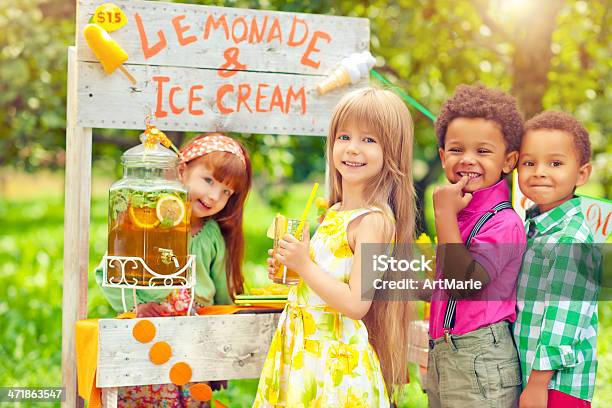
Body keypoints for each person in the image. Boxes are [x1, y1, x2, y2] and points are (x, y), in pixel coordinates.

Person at [253, 87, 416, 407]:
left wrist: (305, 266)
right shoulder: (335, 211)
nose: (352, 149)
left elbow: (357, 304)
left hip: (336, 367)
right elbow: (325, 281)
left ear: (392, 151)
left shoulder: (375, 222)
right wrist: (292, 274)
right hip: (304, 354)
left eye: (369, 140)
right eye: (344, 137)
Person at [95, 133, 252, 407]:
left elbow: (222, 296)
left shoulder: (211, 235)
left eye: (227, 192)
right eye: (209, 181)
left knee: (190, 399)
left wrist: (222, 351)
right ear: (182, 171)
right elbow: (107, 273)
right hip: (147, 333)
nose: (215, 196)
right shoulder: (147, 223)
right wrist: (138, 307)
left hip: (193, 341)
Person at [427, 84, 526, 407]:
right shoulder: (459, 211)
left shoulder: (505, 223)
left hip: (480, 359)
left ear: (508, 160)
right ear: (443, 157)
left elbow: (464, 284)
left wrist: (443, 213)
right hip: (444, 351)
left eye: (483, 151)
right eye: (456, 150)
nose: (467, 160)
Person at [514, 111, 600, 408]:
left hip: (556, 386)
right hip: (531, 375)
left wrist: (538, 383)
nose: (539, 171)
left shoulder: (571, 238)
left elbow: (564, 317)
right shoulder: (532, 227)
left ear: (582, 174)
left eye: (555, 163)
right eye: (529, 162)